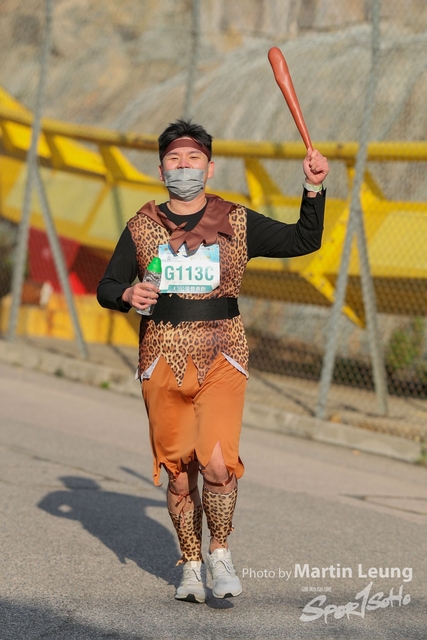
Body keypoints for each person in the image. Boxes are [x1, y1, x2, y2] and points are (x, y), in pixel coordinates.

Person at [97, 119, 329, 603]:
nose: (184, 167)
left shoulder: (236, 220)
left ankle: (220, 552)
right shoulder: (142, 225)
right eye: (175, 160)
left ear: (210, 167)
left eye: (193, 159)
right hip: (161, 355)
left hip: (223, 352)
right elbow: (107, 286)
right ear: (161, 170)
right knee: (179, 473)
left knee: (219, 464)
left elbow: (303, 241)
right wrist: (127, 294)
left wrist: (312, 188)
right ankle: (191, 563)